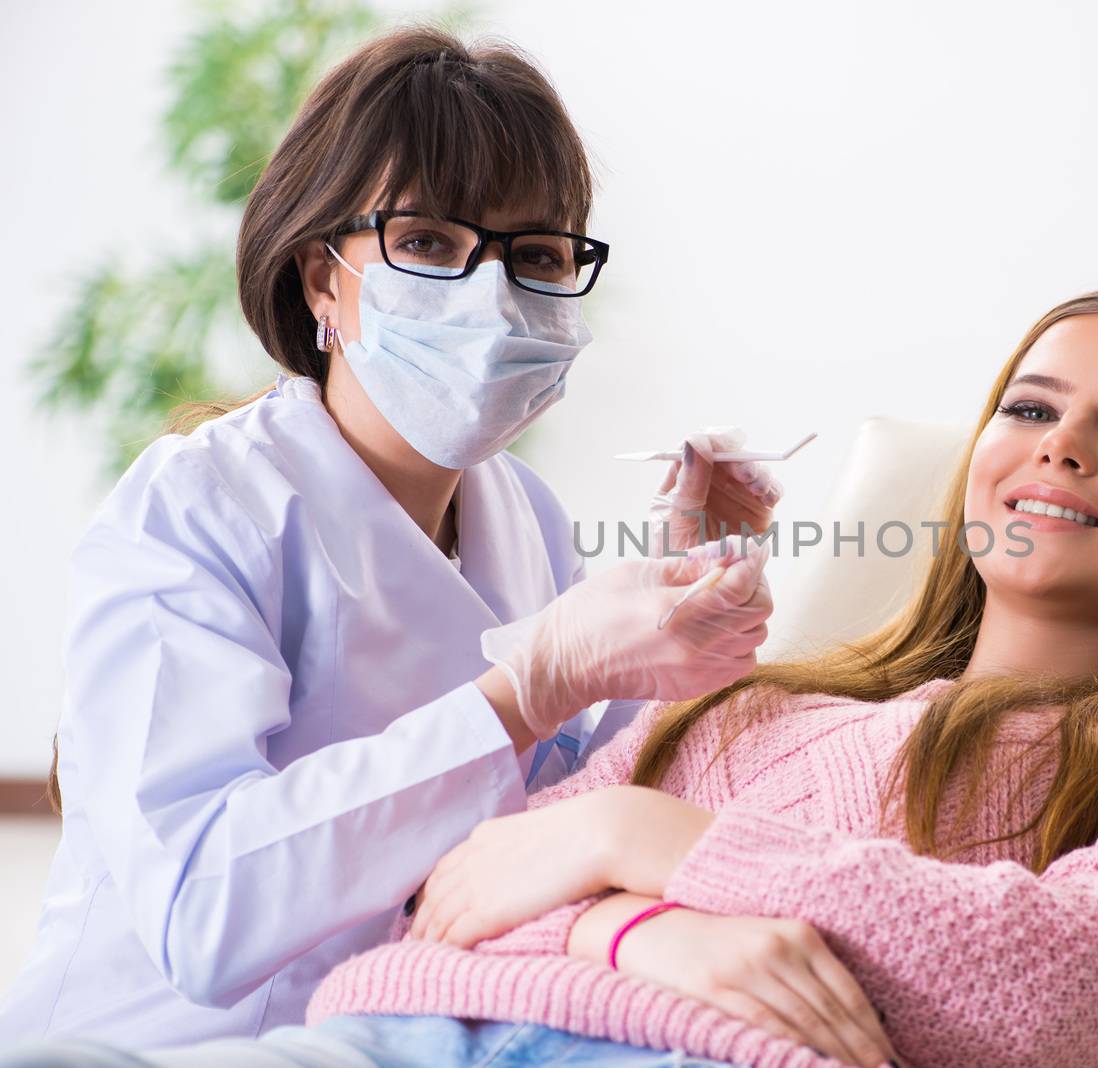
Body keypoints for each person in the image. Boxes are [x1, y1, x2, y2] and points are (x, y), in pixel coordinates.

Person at [6, 287, 1098, 1068]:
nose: (1062, 451)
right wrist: (633, 921)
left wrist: (634, 838)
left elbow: (1070, 984)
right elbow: (453, 896)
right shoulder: (763, 702)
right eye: (1033, 409)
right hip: (397, 1034)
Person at [0, 27, 780, 1051]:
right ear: (322, 278)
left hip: (393, 1032)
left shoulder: (526, 519)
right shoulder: (198, 504)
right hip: (158, 1043)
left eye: (536, 255)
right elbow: (204, 911)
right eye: (426, 244)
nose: (490, 295)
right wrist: (522, 691)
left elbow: (568, 822)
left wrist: (677, 608)